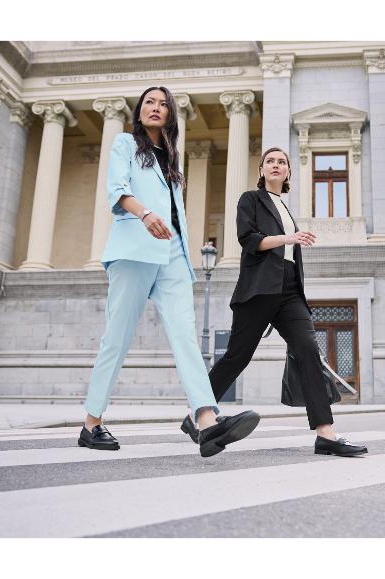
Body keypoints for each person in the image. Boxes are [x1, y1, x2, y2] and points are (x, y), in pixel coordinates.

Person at [78, 86, 260, 457]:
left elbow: (174, 210)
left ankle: (206, 421)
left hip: (174, 253)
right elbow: (116, 189)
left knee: (185, 336)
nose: (156, 108)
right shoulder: (124, 145)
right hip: (134, 248)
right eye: (149, 103)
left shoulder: (171, 157)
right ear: (139, 111)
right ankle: (91, 424)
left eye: (163, 104)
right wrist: (144, 214)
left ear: (171, 115)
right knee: (117, 338)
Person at [178, 147, 367, 457]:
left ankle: (326, 434)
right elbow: (249, 240)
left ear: (289, 171)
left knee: (308, 350)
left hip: (290, 289)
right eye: (270, 161)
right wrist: (288, 239)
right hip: (260, 288)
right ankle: (195, 413)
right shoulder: (250, 200)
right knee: (237, 357)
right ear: (262, 170)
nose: (276, 165)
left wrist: (291, 242)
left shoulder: (285, 207)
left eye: (282, 162)